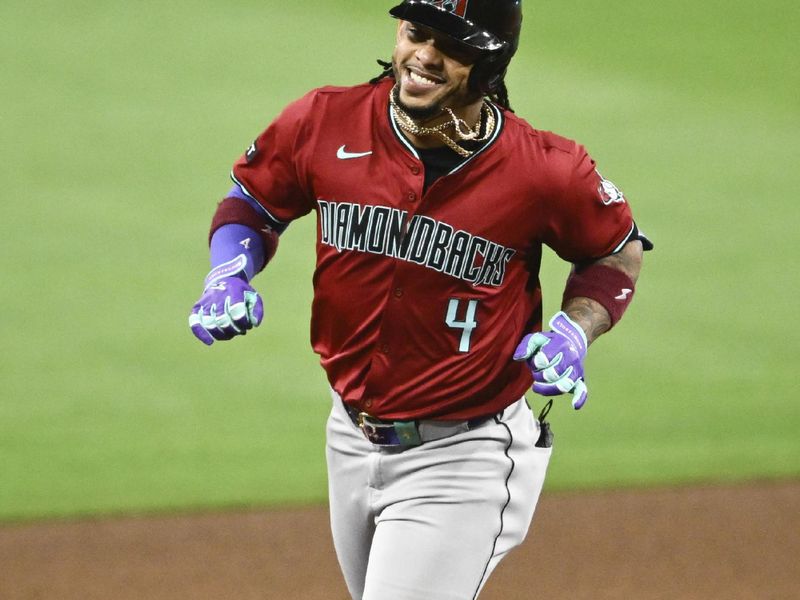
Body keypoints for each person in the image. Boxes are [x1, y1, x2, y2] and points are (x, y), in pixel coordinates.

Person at [188, 1, 652, 598]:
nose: (423, 57)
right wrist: (229, 270)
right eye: (415, 33)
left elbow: (615, 251)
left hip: (465, 455)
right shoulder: (327, 119)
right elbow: (253, 202)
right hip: (349, 435)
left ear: (490, 62)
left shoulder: (546, 170)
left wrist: (575, 329)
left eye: (450, 46)